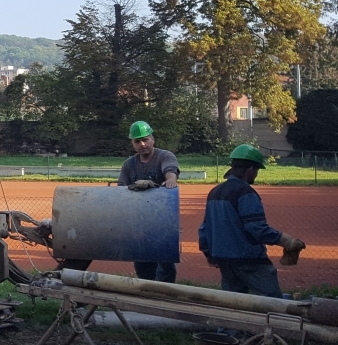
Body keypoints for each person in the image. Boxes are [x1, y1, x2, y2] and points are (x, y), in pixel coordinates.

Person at [198, 144, 306, 298]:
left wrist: (209, 254)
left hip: (223, 259)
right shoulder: (245, 192)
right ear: (250, 169)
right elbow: (256, 228)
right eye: (256, 171)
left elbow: (204, 229)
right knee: (272, 302)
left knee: (233, 303)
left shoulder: (215, 192)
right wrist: (286, 240)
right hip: (249, 259)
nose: (256, 175)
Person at [117, 121, 181, 282]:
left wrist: (170, 180)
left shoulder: (164, 156)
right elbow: (120, 190)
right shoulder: (129, 164)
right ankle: (146, 293)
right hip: (139, 222)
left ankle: (165, 294)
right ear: (133, 143)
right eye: (137, 141)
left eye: (145, 139)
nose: (142, 144)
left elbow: (170, 169)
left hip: (163, 221)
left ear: (153, 139)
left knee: (165, 265)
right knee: (142, 264)